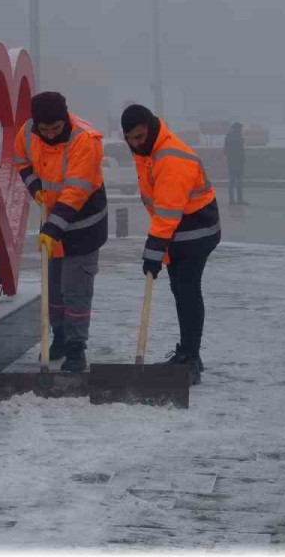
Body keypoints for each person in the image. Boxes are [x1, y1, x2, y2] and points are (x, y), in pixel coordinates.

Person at [121, 103, 220, 385]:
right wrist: (158, 250)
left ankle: (190, 358)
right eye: (131, 139)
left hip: (196, 228)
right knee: (180, 288)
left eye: (140, 137)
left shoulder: (170, 157)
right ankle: (189, 353)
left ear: (151, 128)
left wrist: (153, 253)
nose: (136, 144)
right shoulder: (147, 151)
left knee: (187, 289)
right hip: (178, 227)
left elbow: (167, 212)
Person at [14, 91, 109, 372]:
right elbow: (22, 161)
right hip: (52, 222)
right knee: (53, 289)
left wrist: (53, 227)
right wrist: (35, 189)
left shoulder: (84, 140)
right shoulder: (28, 132)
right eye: (45, 129)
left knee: (75, 291)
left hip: (83, 227)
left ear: (65, 118)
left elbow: (76, 191)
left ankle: (76, 350)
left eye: (56, 128)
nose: (51, 134)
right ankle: (59, 338)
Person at [223, 121, 247, 205]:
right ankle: (239, 199)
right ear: (238, 128)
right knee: (239, 182)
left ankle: (231, 200)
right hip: (238, 162)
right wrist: (243, 159)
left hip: (231, 162)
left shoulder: (228, 136)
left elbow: (225, 150)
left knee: (232, 181)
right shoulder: (238, 136)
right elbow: (241, 150)